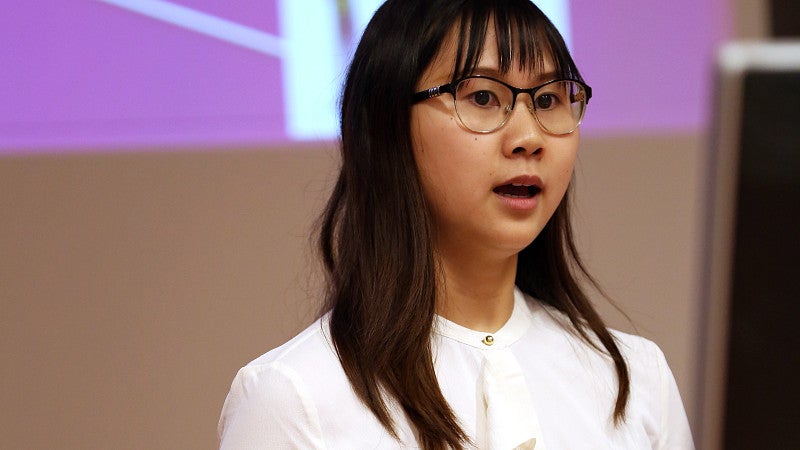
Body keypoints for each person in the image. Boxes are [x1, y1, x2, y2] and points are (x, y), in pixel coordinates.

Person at [217, 0, 694, 448]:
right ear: (384, 127)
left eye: (548, 100)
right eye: (483, 96)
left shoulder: (633, 380)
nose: (528, 137)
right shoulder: (295, 397)